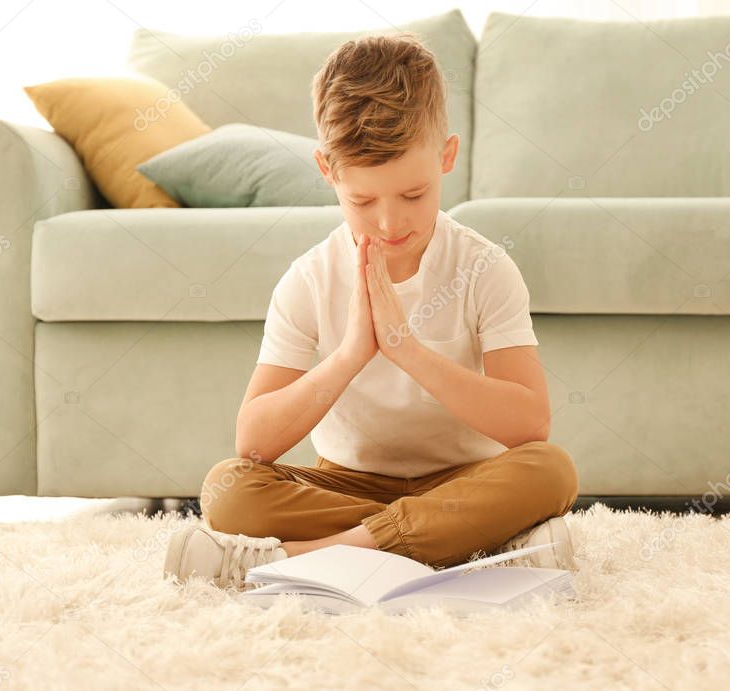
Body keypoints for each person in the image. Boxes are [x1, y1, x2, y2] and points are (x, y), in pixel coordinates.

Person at [164, 32, 579, 589]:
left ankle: (299, 560)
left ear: (447, 156)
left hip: (463, 481)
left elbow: (530, 425)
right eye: (363, 201)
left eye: (413, 194)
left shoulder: (485, 268)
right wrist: (354, 352)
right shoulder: (309, 279)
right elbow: (254, 442)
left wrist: (406, 348)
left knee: (551, 472)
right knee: (226, 487)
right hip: (347, 485)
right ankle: (482, 545)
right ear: (327, 170)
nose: (389, 224)